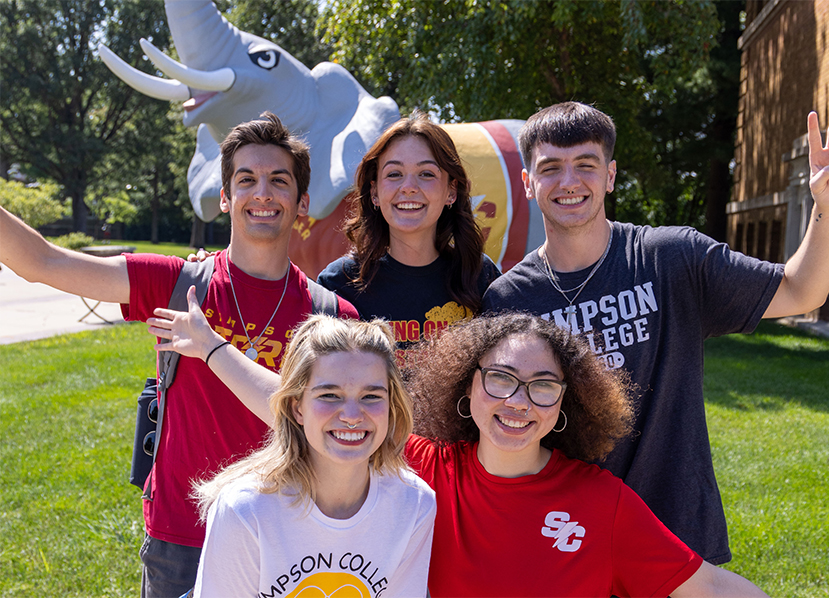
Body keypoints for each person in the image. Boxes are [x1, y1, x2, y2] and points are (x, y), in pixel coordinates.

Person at [146, 304, 770, 597]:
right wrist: (212, 348)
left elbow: (708, 589)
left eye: (542, 386)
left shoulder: (597, 500)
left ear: (564, 406)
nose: (517, 401)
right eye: (499, 380)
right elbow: (320, 409)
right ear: (465, 391)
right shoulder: (417, 471)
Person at [480, 100, 829, 564]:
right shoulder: (507, 298)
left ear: (611, 175)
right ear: (528, 183)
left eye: (586, 164)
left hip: (676, 531)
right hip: (567, 537)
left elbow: (802, 290)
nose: (569, 181)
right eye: (551, 167)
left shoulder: (671, 257)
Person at [0, 111, 358, 596]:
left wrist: (211, 346)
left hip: (285, 533)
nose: (263, 193)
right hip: (180, 535)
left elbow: (330, 425)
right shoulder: (177, 283)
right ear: (226, 197)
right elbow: (42, 262)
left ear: (301, 203)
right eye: (246, 179)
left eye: (279, 180)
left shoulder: (332, 316)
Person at [190, 315, 435, 597]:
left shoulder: (414, 504)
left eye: (371, 396)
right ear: (297, 408)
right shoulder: (245, 509)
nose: (353, 416)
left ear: (392, 406)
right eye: (330, 395)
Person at [316, 112, 500, 366]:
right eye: (394, 174)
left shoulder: (481, 276)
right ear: (375, 193)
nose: (409, 187)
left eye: (426, 174)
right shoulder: (338, 284)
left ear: (451, 191)